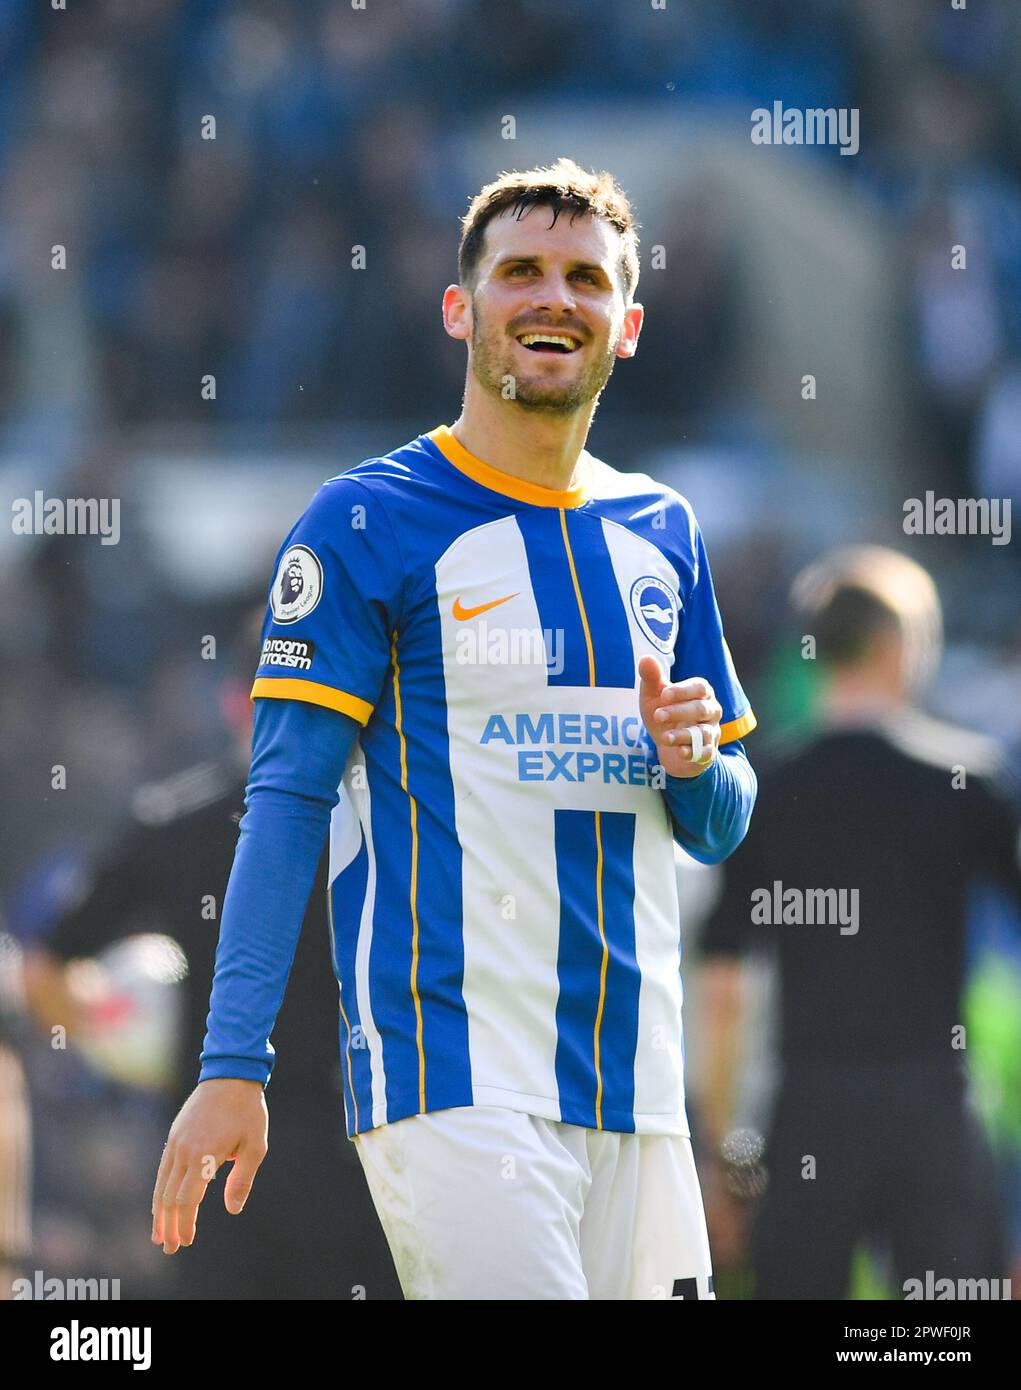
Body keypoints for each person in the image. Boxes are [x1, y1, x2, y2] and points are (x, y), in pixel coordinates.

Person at [152, 157, 759, 1300]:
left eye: (584, 278)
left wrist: (696, 765)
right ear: (458, 309)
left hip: (639, 1088)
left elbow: (721, 821)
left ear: (625, 325)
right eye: (518, 271)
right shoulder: (363, 521)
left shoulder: (661, 529)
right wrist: (234, 1064)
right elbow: (285, 803)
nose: (552, 298)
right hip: (452, 1078)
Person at [22, 621, 398, 1299]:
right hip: (361, 1157)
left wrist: (126, 1052)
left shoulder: (171, 824)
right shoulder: (388, 829)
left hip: (210, 1158)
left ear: (234, 701)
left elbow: (42, 970)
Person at [699, 546, 1021, 1300]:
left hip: (810, 1109)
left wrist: (724, 1154)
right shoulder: (968, 779)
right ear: (897, 646)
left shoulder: (769, 785)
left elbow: (724, 989)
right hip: (936, 1108)